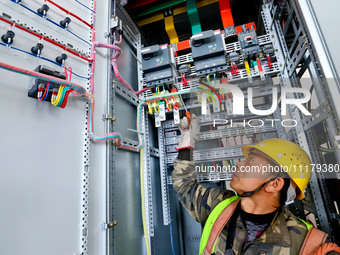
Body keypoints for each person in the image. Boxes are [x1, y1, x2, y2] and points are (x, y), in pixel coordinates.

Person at [172, 114, 340, 255]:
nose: (238, 164)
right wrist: (187, 144)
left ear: (274, 184)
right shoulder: (219, 204)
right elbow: (185, 186)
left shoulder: (306, 243)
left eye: (251, 161)